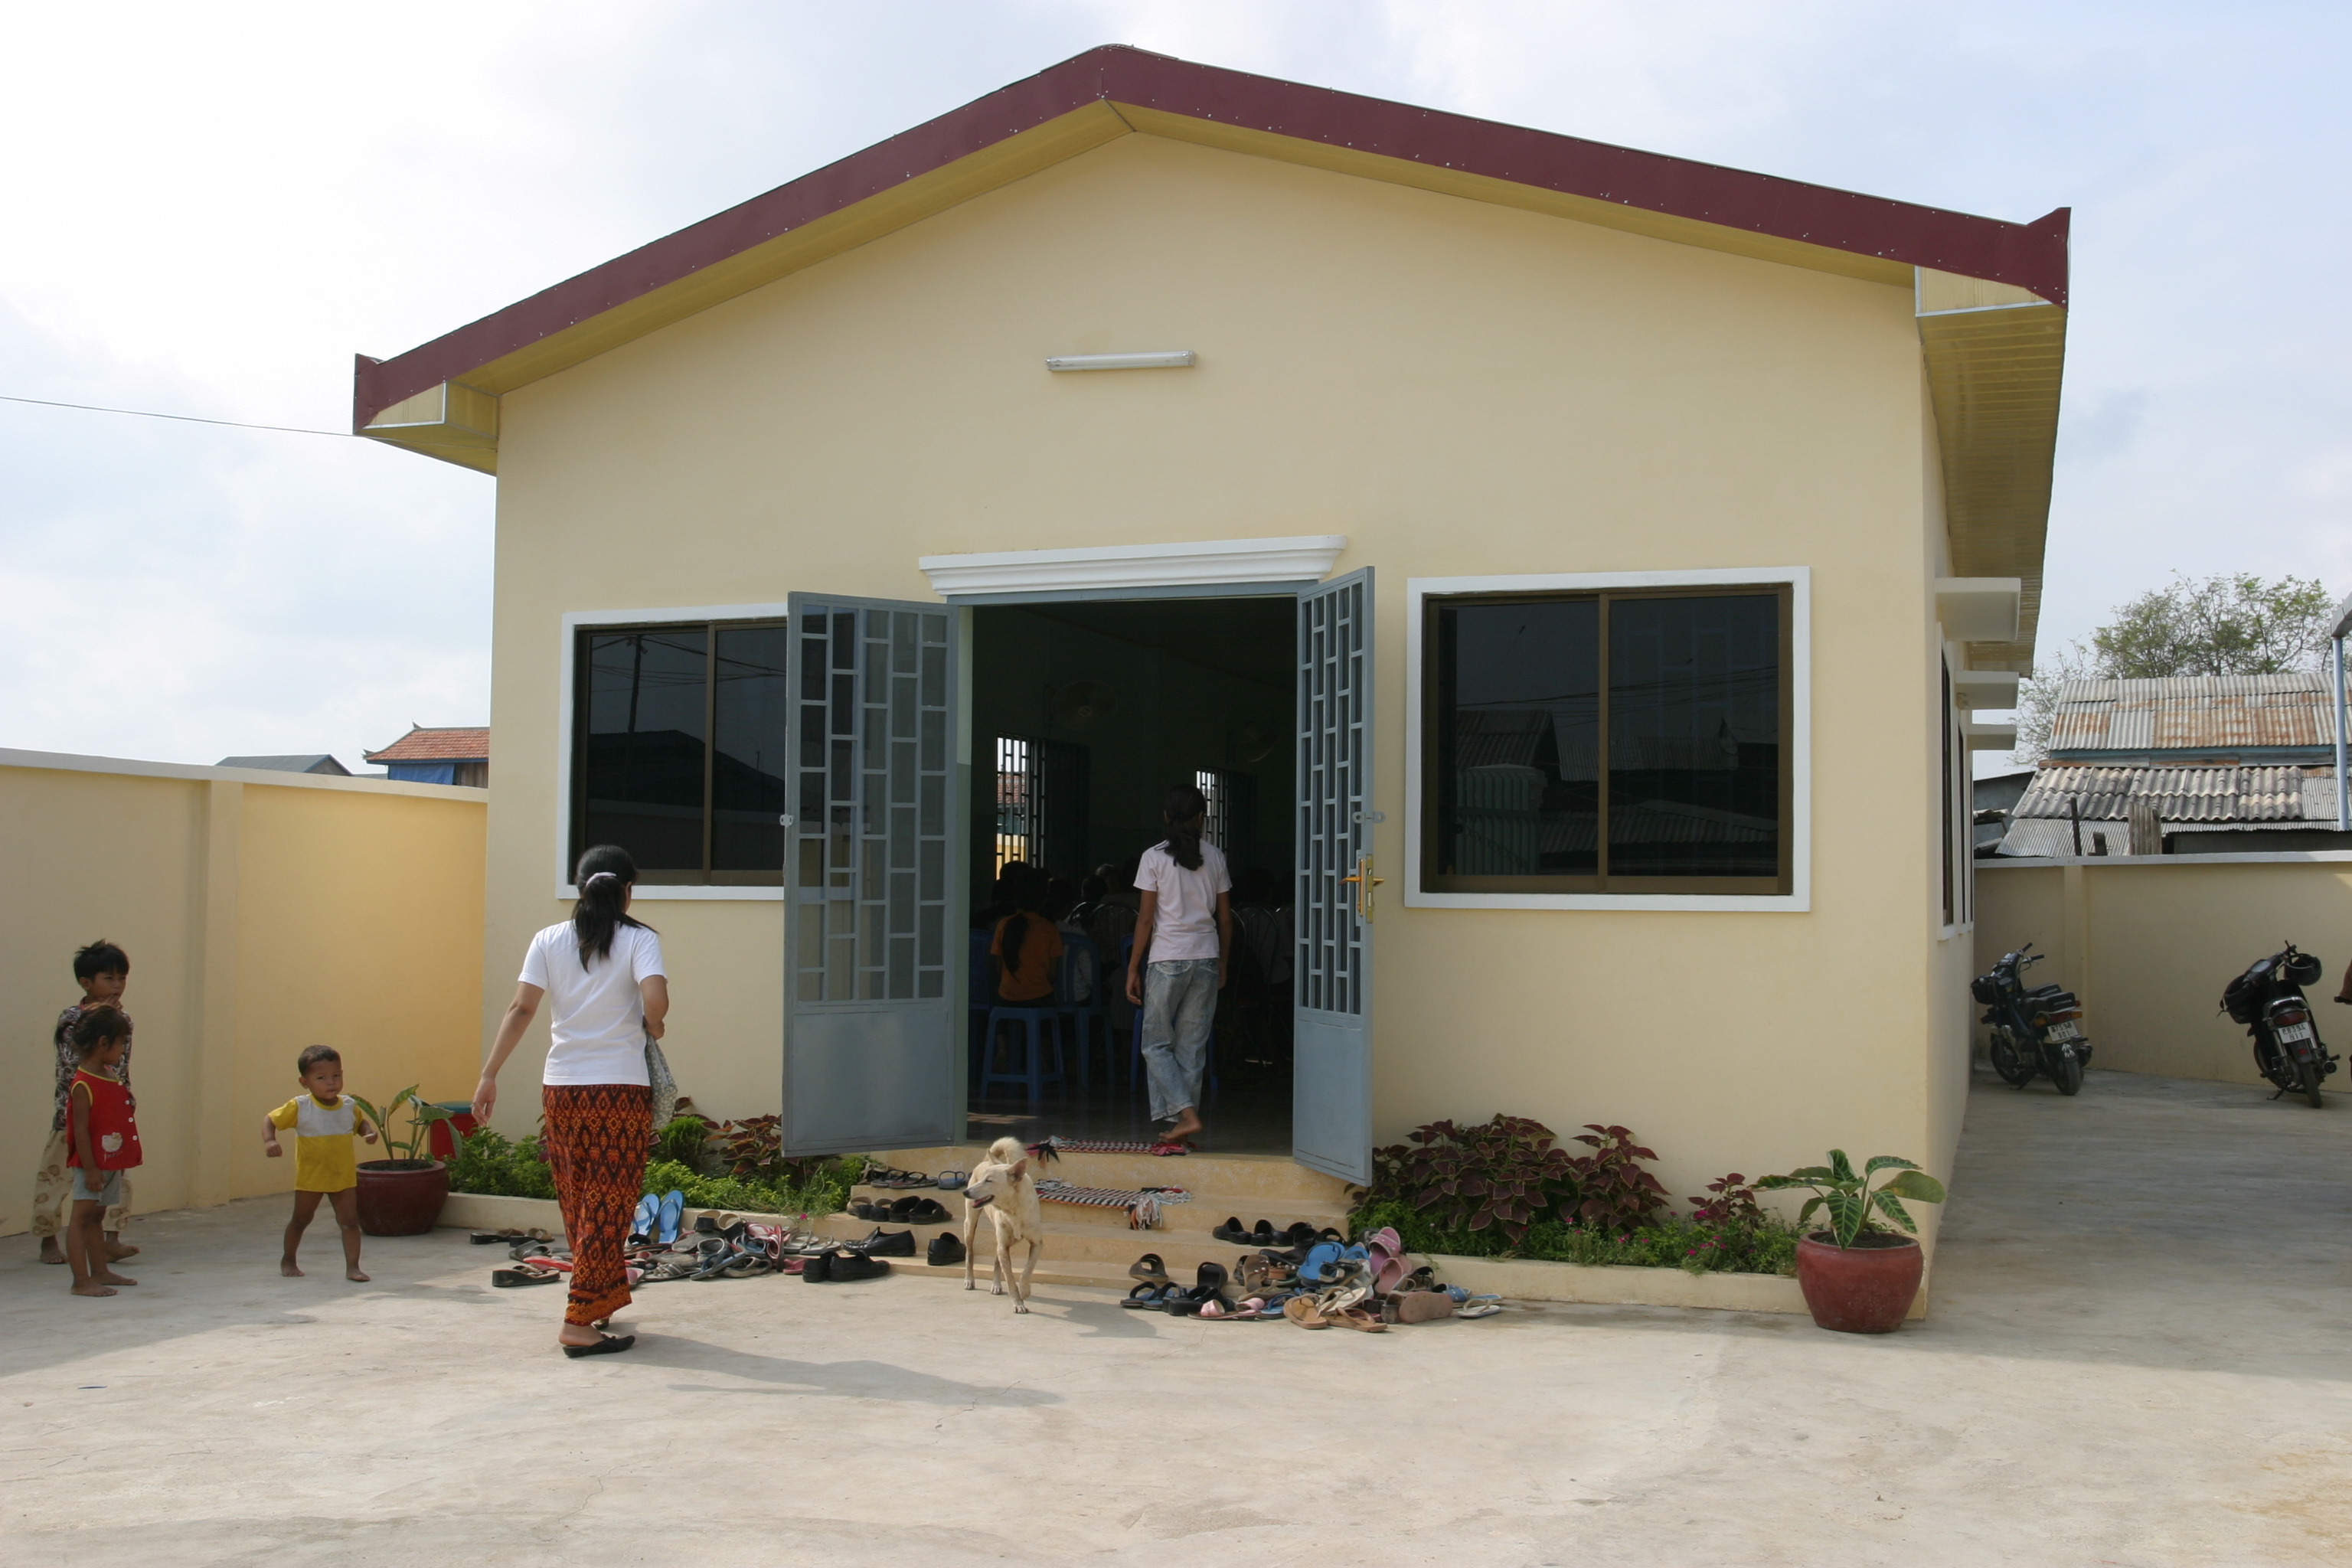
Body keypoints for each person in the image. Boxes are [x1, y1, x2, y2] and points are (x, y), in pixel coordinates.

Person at [472, 844, 669, 1358]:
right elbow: (656, 1001)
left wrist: (489, 1075)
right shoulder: (639, 939)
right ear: (628, 892)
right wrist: (655, 1023)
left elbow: (520, 1008)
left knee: (581, 1202)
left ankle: (599, 1303)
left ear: (581, 887)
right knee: (610, 1203)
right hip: (619, 1090)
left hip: (561, 1088)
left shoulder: (548, 939)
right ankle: (579, 1320)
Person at [1125, 786, 1233, 1147]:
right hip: (1205, 956)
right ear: (1202, 817)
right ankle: (1178, 1135)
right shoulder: (1215, 856)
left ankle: (1184, 1117)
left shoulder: (1153, 858)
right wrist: (1223, 962)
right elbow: (1226, 919)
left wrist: (1132, 968)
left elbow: (1145, 919)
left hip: (1168, 958)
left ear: (1166, 817)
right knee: (1191, 1049)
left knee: (1155, 1045)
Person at [34, 940, 136, 1266]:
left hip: (113, 1118)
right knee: (56, 1176)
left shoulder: (123, 1020)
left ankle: (111, 1239)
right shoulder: (74, 1019)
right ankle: (47, 1239)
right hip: (74, 1115)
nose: (117, 985)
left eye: (122, 978)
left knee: (116, 1178)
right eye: (109, 978)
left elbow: (120, 1066)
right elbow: (73, 1064)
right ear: (86, 983)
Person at [263, 1045, 379, 1282]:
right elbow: (270, 1119)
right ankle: (288, 1259)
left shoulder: (348, 1105)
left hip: (343, 1177)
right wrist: (269, 1141)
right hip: (311, 1177)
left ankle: (353, 1267)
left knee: (349, 1222)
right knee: (301, 1220)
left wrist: (369, 1133)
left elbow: (360, 1124)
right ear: (305, 1082)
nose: (331, 1083)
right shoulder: (300, 1107)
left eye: (337, 1075)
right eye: (322, 1078)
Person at [61, 1006, 140, 1298]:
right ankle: (80, 1281)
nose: (122, 1050)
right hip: (91, 1165)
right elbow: (80, 1129)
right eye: (120, 1043)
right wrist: (91, 1168)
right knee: (81, 1218)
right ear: (103, 1043)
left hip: (109, 1163)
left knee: (97, 1217)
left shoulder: (108, 1074)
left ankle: (100, 1271)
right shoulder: (83, 1083)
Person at [988, 886, 1065, 1008]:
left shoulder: (1003, 925)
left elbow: (998, 968)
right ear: (1044, 901)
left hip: (1007, 997)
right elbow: (1053, 975)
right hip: (1040, 997)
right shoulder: (1049, 928)